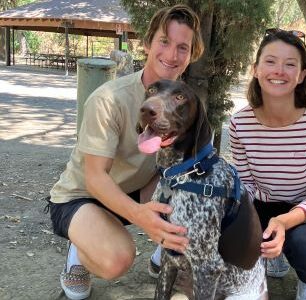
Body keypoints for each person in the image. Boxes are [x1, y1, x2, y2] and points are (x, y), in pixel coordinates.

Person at [46, 5, 204, 300]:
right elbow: (94, 178)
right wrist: (142, 217)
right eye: (164, 42)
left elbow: (182, 163)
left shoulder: (184, 102)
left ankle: (162, 257)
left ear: (192, 54)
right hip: (83, 195)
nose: (172, 55)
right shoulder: (109, 99)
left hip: (137, 187)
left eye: (183, 47)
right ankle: (79, 252)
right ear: (147, 43)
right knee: (117, 259)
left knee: (199, 206)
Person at [229, 28, 306, 300]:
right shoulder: (240, 123)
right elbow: (247, 185)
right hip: (264, 204)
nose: (279, 71)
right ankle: (270, 253)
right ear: (255, 69)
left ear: (302, 75)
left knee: (305, 245)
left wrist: (283, 222)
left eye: (290, 64)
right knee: (229, 224)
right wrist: (247, 223)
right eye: (270, 61)